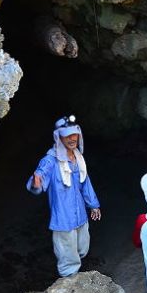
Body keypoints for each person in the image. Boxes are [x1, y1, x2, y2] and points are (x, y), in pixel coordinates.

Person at [27, 115, 101, 276]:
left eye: (74, 134)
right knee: (67, 255)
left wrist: (93, 205)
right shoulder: (50, 161)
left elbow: (85, 183)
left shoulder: (78, 158)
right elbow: (39, 178)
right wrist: (36, 183)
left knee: (83, 246)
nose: (72, 138)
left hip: (80, 214)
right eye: (67, 135)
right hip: (63, 217)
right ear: (59, 137)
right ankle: (69, 281)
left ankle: (77, 270)